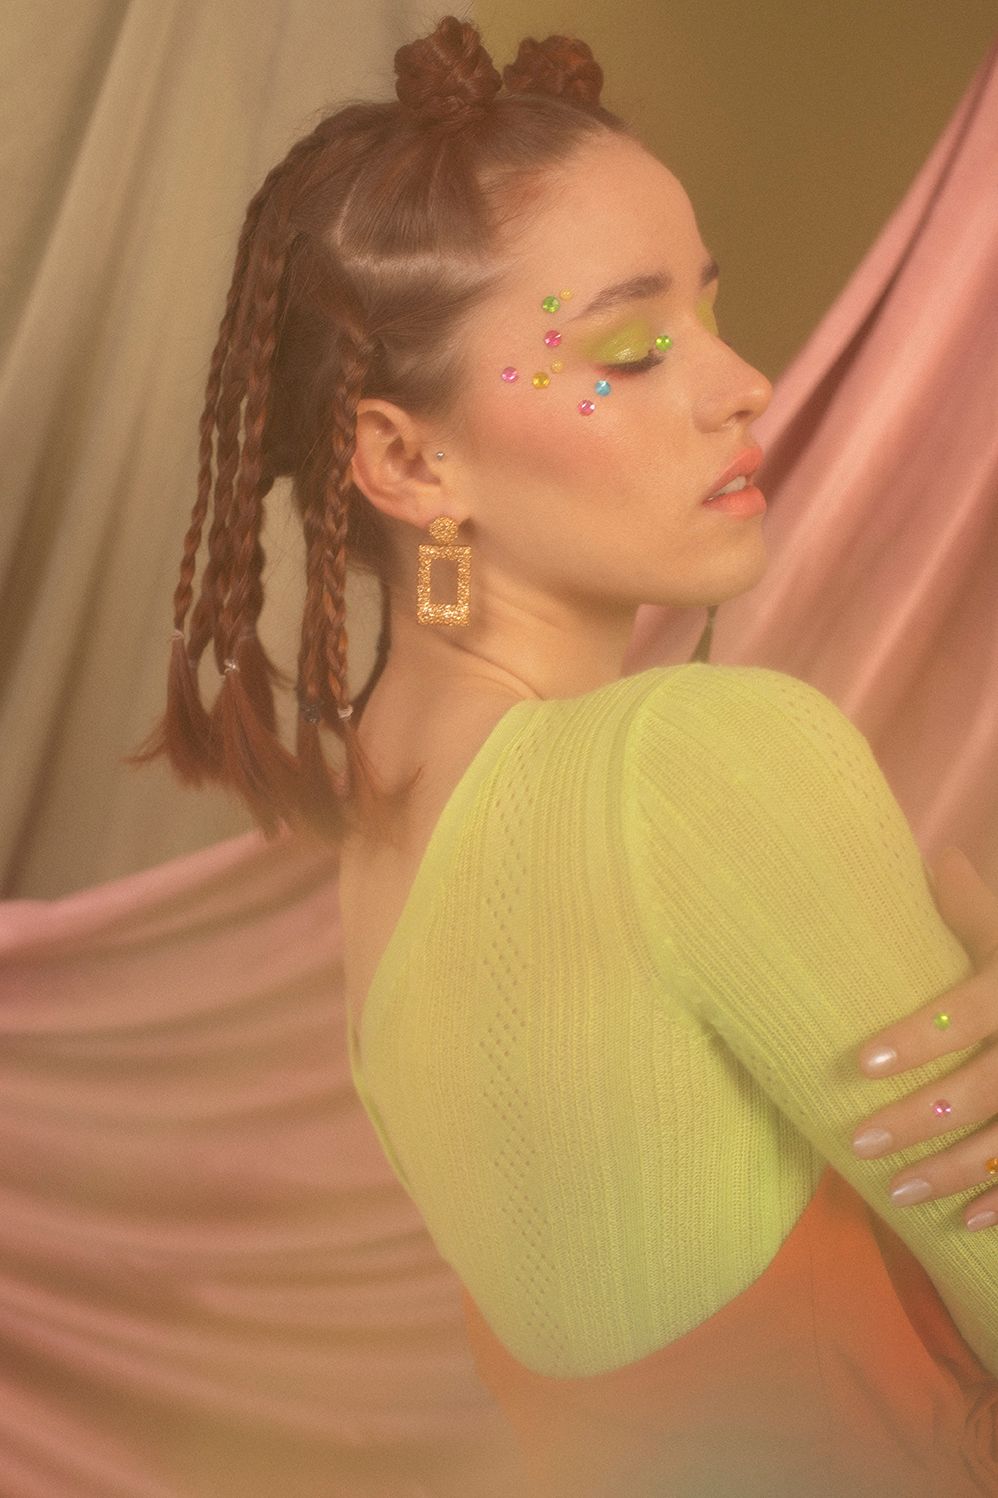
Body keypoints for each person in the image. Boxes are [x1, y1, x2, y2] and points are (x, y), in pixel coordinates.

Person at [130, 16, 998, 1495]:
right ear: (410, 461)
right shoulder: (692, 759)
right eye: (635, 348)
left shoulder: (389, 857)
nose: (744, 382)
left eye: (709, 311)